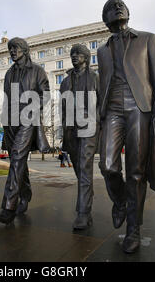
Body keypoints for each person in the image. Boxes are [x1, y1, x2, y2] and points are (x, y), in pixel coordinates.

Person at [97, 0, 155, 253]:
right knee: (107, 164)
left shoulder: (148, 39)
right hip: (112, 110)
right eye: (110, 7)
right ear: (105, 19)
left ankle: (134, 229)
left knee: (136, 172)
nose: (117, 8)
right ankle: (120, 201)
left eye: (120, 5)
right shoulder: (102, 50)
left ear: (128, 13)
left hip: (139, 107)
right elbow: (102, 85)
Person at [0, 37, 50, 224]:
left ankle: (8, 207)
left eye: (16, 48)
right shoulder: (9, 73)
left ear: (25, 50)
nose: (12, 51)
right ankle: (25, 193)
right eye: (10, 49)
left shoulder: (37, 71)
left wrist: (31, 107)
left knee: (17, 157)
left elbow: (46, 95)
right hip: (10, 121)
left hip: (28, 118)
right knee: (18, 162)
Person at [60, 44, 99, 230]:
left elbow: (103, 104)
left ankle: (83, 213)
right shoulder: (65, 82)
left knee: (84, 166)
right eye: (72, 54)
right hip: (70, 128)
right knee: (78, 167)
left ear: (86, 57)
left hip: (89, 126)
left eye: (78, 54)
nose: (74, 56)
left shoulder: (95, 78)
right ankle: (87, 195)